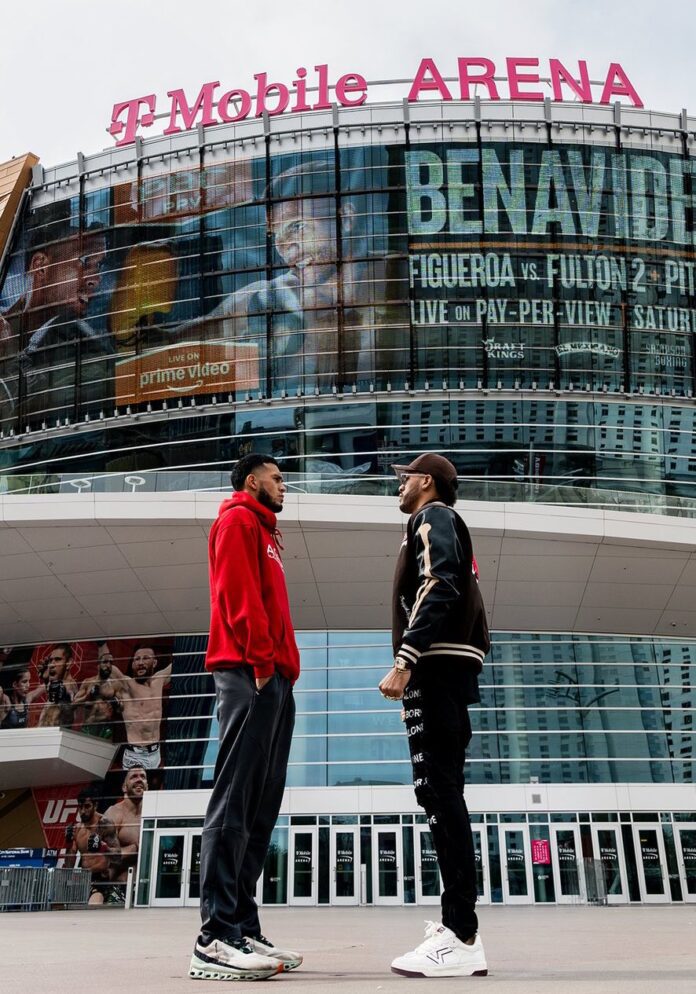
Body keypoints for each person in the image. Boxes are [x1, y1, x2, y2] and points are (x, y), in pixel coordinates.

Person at [190, 452, 301, 982]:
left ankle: (242, 923)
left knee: (261, 806)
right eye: (278, 478)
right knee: (235, 799)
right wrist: (260, 663)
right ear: (253, 481)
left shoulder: (268, 533)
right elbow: (237, 596)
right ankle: (213, 937)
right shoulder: (237, 519)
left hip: (276, 677)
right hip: (247, 671)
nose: (285, 486)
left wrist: (282, 674)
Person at [378, 453, 490, 979]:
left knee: (441, 793)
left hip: (437, 668)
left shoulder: (432, 518)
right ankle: (456, 926)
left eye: (404, 478)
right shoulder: (434, 521)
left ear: (425, 481)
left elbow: (440, 582)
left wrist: (407, 659)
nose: (398, 486)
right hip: (443, 668)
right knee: (437, 793)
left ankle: (461, 935)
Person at [110, 645, 172, 769]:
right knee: (135, 787)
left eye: (145, 658)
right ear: (132, 664)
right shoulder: (127, 684)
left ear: (154, 662)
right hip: (135, 755)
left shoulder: (159, 680)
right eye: (136, 659)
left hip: (155, 753)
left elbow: (180, 662)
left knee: (152, 788)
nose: (140, 662)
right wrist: (102, 646)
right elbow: (109, 668)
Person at [64, 784, 121, 905]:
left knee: (93, 909)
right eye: (80, 807)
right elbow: (69, 864)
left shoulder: (104, 824)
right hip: (84, 879)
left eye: (87, 806)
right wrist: (68, 843)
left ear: (95, 805)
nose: (83, 811)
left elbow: (118, 857)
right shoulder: (77, 829)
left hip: (101, 879)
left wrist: (103, 847)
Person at [103, 765, 148, 893]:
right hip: (118, 890)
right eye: (134, 777)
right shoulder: (113, 814)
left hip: (147, 891)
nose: (139, 780)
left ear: (147, 786)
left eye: (143, 777)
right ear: (124, 787)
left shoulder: (153, 813)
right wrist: (136, 848)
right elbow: (105, 856)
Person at [73, 641, 121, 737]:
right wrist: (87, 696)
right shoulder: (88, 682)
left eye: (111, 663)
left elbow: (122, 708)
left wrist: (116, 703)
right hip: (88, 726)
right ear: (98, 665)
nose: (108, 665)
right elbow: (74, 704)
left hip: (105, 728)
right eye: (105, 662)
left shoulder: (115, 685)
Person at [36, 644, 78, 728]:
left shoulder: (69, 684)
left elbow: (68, 688)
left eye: (57, 660)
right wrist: (46, 680)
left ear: (68, 662)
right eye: (51, 660)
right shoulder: (56, 684)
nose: (52, 665)